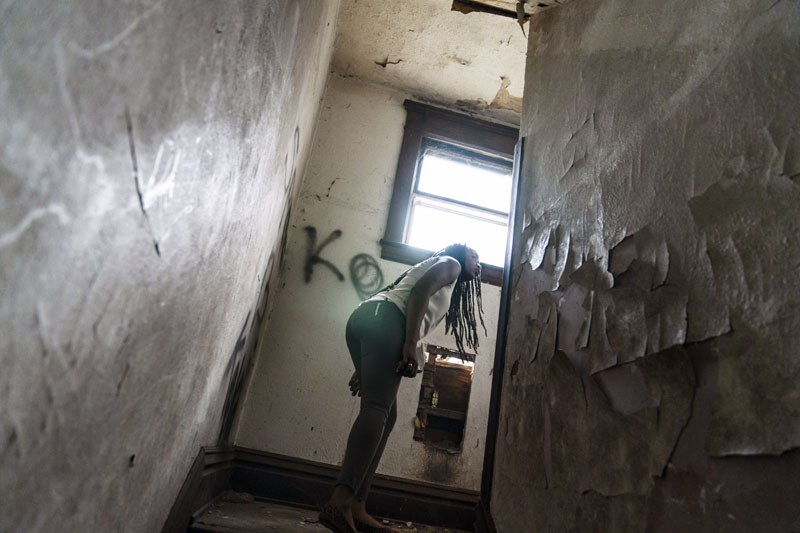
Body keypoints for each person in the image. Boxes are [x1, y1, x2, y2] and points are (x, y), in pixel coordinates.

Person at [318, 243, 486, 533]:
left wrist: (369, 362)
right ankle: (341, 500)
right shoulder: (452, 264)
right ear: (461, 255)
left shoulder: (442, 270)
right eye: (474, 257)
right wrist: (409, 342)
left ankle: (357, 505)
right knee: (377, 409)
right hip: (386, 320)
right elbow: (420, 291)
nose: (478, 264)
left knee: (388, 414)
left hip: (367, 319)